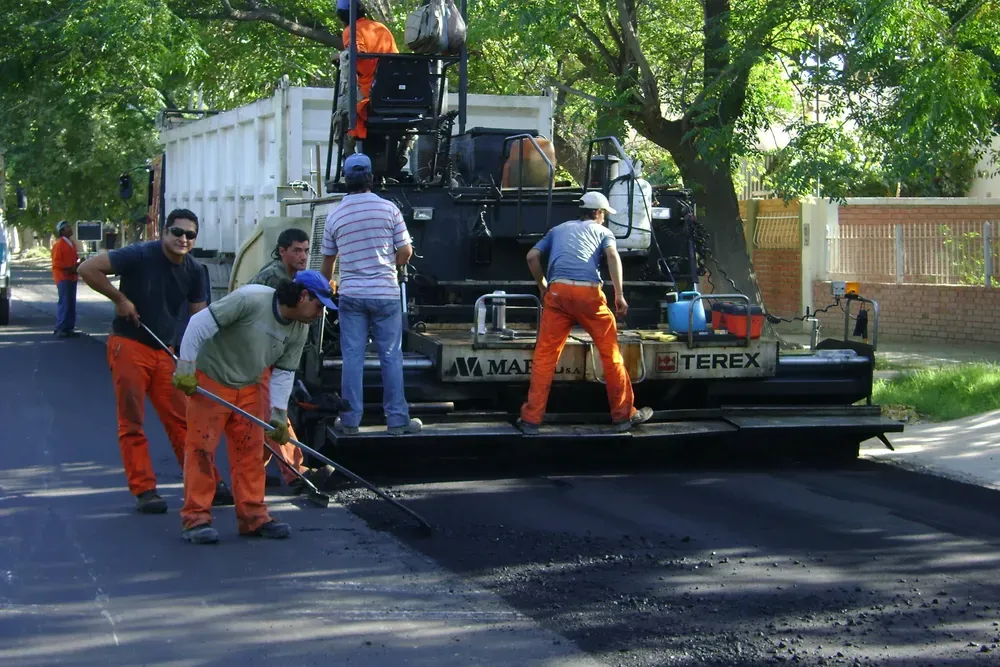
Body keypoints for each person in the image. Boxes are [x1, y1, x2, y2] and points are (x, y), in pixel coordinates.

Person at [78, 209, 233, 514]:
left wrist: (195, 361)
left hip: (166, 352)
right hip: (130, 345)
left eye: (190, 235)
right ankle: (144, 490)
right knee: (132, 421)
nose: (183, 239)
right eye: (177, 232)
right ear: (165, 231)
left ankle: (206, 484)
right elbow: (87, 269)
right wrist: (120, 300)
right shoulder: (139, 254)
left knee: (182, 420)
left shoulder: (194, 271)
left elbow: (198, 320)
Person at [171, 271, 333, 544]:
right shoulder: (251, 300)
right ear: (303, 295)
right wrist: (186, 368)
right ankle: (196, 519)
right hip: (212, 379)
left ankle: (253, 518)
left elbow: (283, 372)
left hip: (249, 384)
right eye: (319, 306)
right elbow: (199, 324)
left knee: (250, 452)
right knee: (201, 450)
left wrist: (279, 416)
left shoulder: (299, 328)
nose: (320, 314)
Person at [517, 191, 654, 434]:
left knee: (545, 358)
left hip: (557, 295)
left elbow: (531, 257)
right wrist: (619, 295)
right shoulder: (603, 232)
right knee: (610, 355)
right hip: (588, 295)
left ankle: (531, 420)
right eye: (604, 215)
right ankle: (623, 417)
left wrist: (543, 287)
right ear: (599, 213)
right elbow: (612, 256)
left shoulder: (558, 230)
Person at [320, 153, 421, 436]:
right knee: (391, 355)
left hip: (351, 295)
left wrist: (324, 290)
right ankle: (397, 420)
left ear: (346, 181)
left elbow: (328, 261)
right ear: (371, 179)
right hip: (385, 294)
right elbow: (405, 252)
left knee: (352, 357)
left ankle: (350, 421)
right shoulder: (389, 209)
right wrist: (389, 263)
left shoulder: (335, 214)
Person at [248, 228, 334, 492]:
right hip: (256, 354)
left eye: (307, 250)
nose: (303, 256)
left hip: (273, 353)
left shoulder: (296, 278)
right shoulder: (274, 277)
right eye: (297, 250)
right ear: (282, 251)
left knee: (262, 419)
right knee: (273, 414)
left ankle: (251, 475)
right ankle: (297, 473)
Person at [336, 0, 399, 145]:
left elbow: (357, 52)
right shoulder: (381, 28)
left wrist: (342, 55)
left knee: (341, 114)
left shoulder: (350, 30)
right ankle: (402, 150)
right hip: (395, 93)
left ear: (341, 16)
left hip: (370, 93)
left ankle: (350, 158)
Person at [51, 220, 80, 338]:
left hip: (72, 276)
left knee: (71, 303)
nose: (70, 229)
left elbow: (75, 258)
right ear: (62, 231)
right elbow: (56, 263)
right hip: (63, 277)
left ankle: (69, 328)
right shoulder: (59, 244)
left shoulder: (72, 243)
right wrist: (69, 268)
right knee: (64, 302)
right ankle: (60, 327)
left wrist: (79, 264)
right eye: (67, 227)